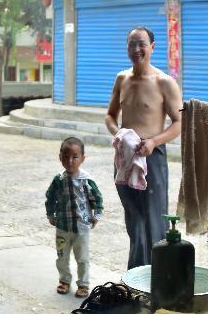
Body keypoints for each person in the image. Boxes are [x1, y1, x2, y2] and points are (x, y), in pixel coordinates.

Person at [105, 26, 183, 270]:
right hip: (125, 157)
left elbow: (180, 122)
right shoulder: (122, 79)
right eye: (131, 44)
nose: (136, 49)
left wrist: (153, 142)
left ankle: (158, 277)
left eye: (141, 44)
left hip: (153, 157)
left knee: (155, 220)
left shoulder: (165, 82)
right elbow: (110, 115)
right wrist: (119, 134)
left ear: (152, 47)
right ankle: (136, 275)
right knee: (134, 219)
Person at [45, 137, 104, 298]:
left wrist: (96, 215)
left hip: (82, 228)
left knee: (82, 258)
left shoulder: (86, 181)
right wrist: (50, 214)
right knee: (62, 257)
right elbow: (50, 198)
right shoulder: (58, 180)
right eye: (65, 157)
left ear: (83, 158)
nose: (69, 161)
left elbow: (97, 199)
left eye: (74, 157)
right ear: (60, 157)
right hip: (62, 227)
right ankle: (64, 280)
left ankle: (83, 284)